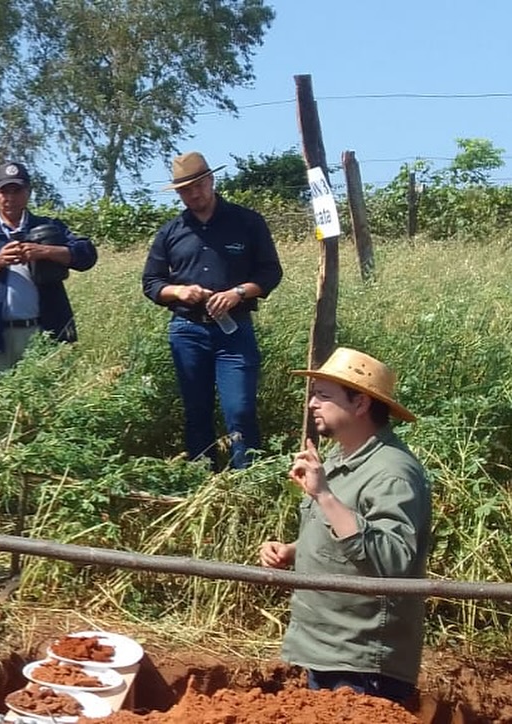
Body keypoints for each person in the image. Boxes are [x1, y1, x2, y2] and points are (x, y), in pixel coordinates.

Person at [259, 347, 431, 704]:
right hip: (326, 650)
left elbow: (394, 561)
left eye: (324, 395)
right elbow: (343, 534)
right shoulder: (340, 459)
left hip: (363, 664)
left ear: (361, 404)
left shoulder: (393, 473)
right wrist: (294, 550)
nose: (312, 404)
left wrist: (324, 496)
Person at [142, 151, 282, 469]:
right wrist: (179, 291)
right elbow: (151, 282)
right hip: (187, 331)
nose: (193, 195)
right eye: (185, 190)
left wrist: (238, 293)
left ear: (211, 180)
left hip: (234, 330)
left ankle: (247, 483)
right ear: (178, 193)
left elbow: (270, 272)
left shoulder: (247, 222)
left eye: (198, 186)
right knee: (196, 411)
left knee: (241, 409)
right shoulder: (170, 232)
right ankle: (201, 482)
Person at [0, 161, 98, 394]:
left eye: (17, 190)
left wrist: (46, 251)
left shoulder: (47, 227)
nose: (10, 197)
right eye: (4, 191)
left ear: (28, 192)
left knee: (46, 407)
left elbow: (86, 255)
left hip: (43, 333)